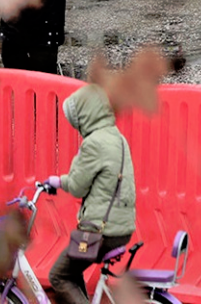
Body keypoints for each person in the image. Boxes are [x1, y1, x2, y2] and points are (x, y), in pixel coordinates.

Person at [44, 83, 136, 304]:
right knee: (73, 271)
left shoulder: (94, 143)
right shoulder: (118, 138)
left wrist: (58, 181)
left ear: (86, 116)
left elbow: (77, 186)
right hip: (122, 229)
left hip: (100, 232)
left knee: (58, 276)